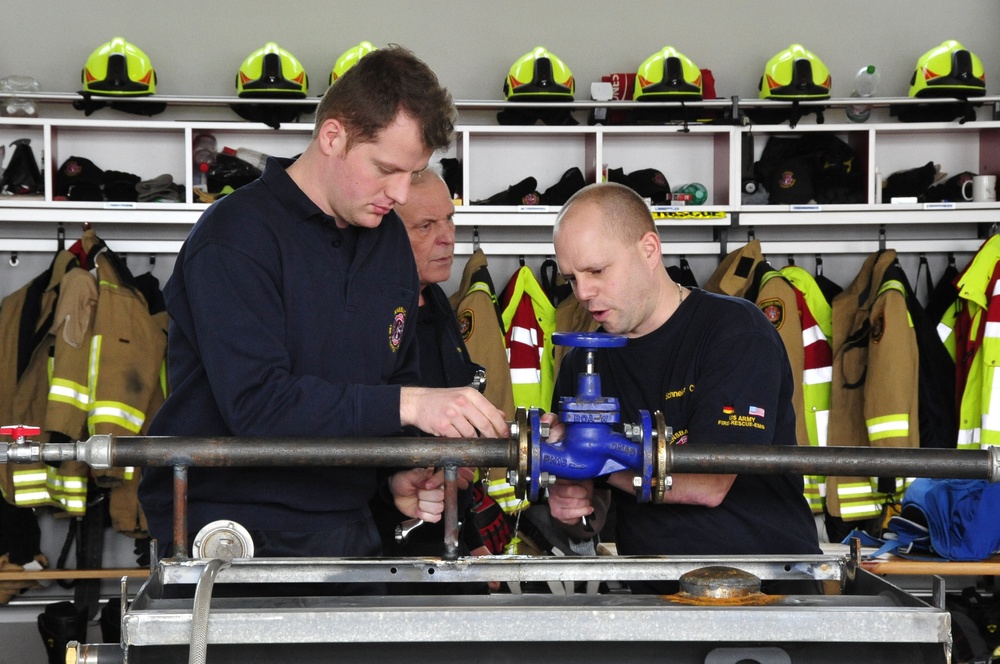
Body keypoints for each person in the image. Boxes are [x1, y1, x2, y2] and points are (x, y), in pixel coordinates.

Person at [137, 46, 509, 564]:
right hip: (229, 531)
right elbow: (258, 405)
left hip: (350, 528)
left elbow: (386, 388)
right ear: (332, 136)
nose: (401, 193)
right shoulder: (235, 238)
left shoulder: (387, 244)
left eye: (414, 172)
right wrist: (414, 403)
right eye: (386, 169)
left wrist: (394, 476)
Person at [545, 182, 821, 594]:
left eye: (597, 271)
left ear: (650, 250)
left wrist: (588, 454)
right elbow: (598, 502)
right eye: (572, 278)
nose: (583, 293)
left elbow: (707, 484)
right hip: (656, 596)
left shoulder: (735, 332)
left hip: (765, 591)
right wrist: (576, 504)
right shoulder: (584, 362)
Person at [369, 167, 497, 593]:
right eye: (426, 225)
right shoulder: (366, 322)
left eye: (450, 220)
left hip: (447, 547)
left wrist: (474, 538)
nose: (448, 237)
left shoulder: (437, 301)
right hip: (387, 562)